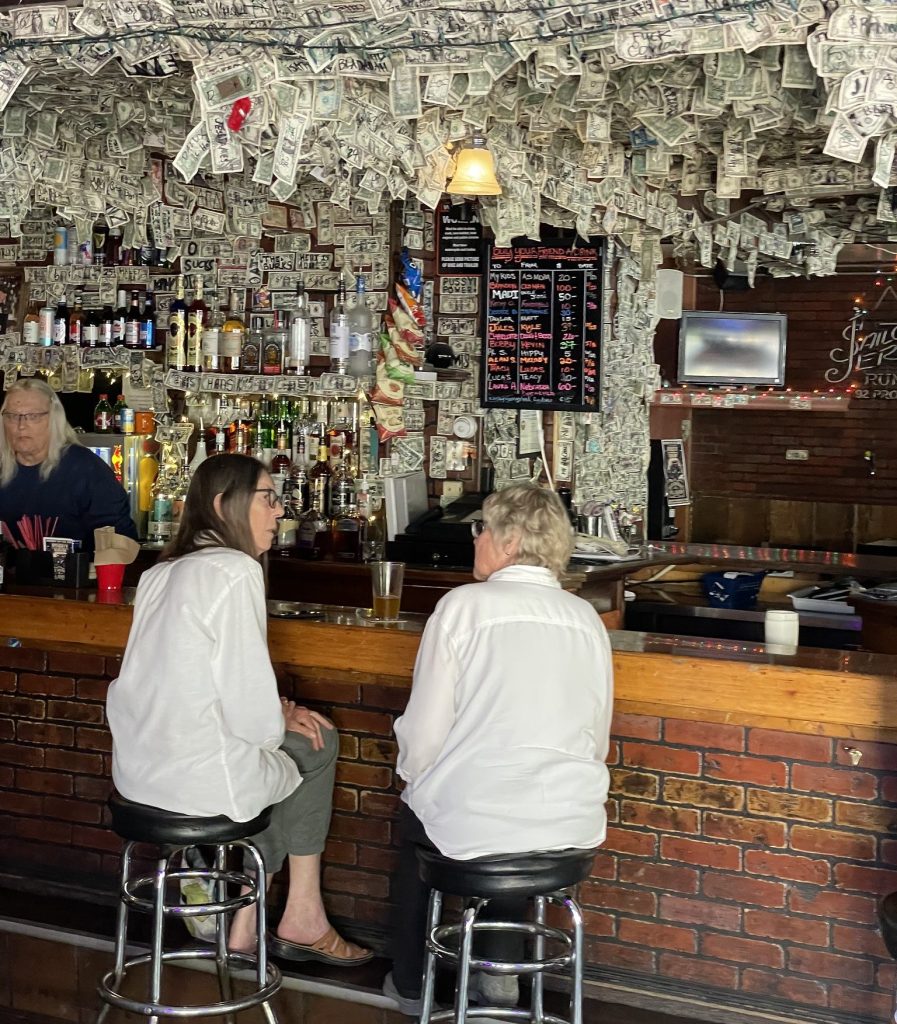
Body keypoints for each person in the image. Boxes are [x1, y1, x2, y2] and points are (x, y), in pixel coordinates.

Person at [106, 454, 371, 965]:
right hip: (203, 781)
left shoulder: (163, 572)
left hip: (139, 777)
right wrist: (277, 717)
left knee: (282, 749)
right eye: (268, 499)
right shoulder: (234, 569)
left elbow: (186, 679)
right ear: (226, 504)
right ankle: (294, 918)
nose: (279, 512)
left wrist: (273, 715)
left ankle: (258, 920)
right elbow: (253, 724)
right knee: (316, 741)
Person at [384, 482, 614, 1014]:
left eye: (481, 528)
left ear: (510, 542)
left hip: (477, 822)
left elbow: (424, 733)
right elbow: (595, 738)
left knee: (426, 823)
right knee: (511, 819)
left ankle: (412, 984)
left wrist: (412, 778)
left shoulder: (462, 607)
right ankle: (500, 978)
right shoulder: (585, 619)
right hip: (571, 825)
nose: (475, 539)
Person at [0, 378, 137, 550]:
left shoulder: (87, 470)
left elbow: (119, 540)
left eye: (33, 416)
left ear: (54, 418)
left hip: (78, 574)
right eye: (12, 416)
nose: (21, 426)